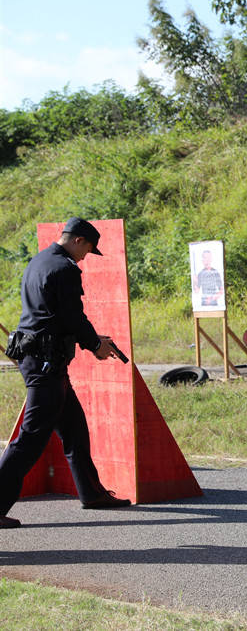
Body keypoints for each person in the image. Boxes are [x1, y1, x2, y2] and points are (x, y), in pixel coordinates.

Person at [0, 217, 131, 530]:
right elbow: (73, 317)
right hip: (46, 363)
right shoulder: (65, 268)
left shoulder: (39, 261)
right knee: (29, 441)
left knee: (74, 430)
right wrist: (95, 345)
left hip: (42, 359)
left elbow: (57, 315)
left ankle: (93, 493)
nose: (86, 256)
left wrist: (92, 340)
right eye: (88, 249)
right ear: (78, 241)